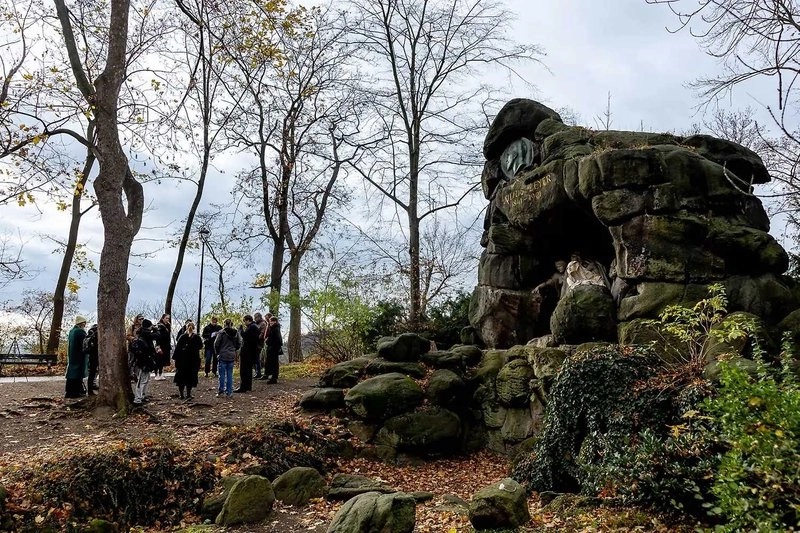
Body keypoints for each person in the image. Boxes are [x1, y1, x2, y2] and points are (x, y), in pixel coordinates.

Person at [172, 321, 203, 400]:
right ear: (194, 328)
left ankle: (181, 395)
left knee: (181, 378)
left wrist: (175, 359)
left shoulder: (182, 337)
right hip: (193, 361)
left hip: (182, 361)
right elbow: (200, 346)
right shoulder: (197, 337)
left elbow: (177, 349)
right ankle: (188, 394)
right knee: (190, 378)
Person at [131, 319, 158, 406]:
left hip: (143, 360)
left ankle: (141, 396)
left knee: (144, 379)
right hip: (145, 360)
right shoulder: (146, 333)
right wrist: (155, 329)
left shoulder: (141, 333)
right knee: (141, 380)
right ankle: (138, 398)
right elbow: (158, 335)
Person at [214, 318, 240, 398]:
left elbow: (216, 343)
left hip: (222, 354)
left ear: (224, 324)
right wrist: (234, 349)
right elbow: (239, 343)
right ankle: (229, 392)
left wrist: (217, 353)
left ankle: (221, 390)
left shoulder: (221, 332)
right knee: (230, 375)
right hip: (231, 355)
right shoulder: (236, 333)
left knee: (221, 375)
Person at [235, 315, 260, 393]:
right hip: (251, 351)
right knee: (248, 370)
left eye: (245, 321)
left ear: (248, 320)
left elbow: (246, 337)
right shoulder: (254, 327)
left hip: (247, 352)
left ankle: (243, 387)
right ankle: (248, 386)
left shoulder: (251, 327)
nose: (244, 323)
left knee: (244, 370)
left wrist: (241, 330)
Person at [65, 316, 88, 398]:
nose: (85, 325)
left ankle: (69, 392)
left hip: (72, 355)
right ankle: (76, 392)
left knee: (71, 373)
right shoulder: (80, 331)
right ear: (82, 323)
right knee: (78, 374)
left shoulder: (72, 331)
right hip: (79, 355)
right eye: (84, 323)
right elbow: (85, 343)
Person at [264, 316, 283, 384]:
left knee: (273, 363)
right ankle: (273, 377)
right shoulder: (274, 328)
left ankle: (274, 378)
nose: (270, 322)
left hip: (273, 348)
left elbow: (276, 339)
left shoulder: (275, 329)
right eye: (270, 321)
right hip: (273, 348)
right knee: (273, 363)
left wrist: (268, 341)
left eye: (271, 321)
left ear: (275, 321)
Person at [154, 313, 172, 380]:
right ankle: (156, 374)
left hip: (166, 345)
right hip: (160, 345)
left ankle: (161, 374)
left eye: (168, 318)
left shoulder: (167, 326)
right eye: (166, 318)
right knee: (158, 360)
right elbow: (158, 337)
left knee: (163, 361)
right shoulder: (160, 326)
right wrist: (158, 347)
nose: (167, 320)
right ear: (163, 318)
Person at [127, 314, 144, 381]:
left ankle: (136, 375)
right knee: (131, 361)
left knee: (138, 362)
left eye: (142, 319)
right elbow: (128, 336)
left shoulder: (143, 327)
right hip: (133, 347)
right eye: (140, 319)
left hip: (140, 348)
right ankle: (130, 375)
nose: (141, 320)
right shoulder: (132, 327)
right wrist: (134, 339)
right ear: (137, 319)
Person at [84, 323, 99, 395]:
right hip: (97, 355)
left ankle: (90, 390)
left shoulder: (90, 332)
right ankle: (93, 388)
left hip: (91, 355)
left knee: (92, 373)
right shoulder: (98, 333)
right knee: (96, 372)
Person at [253, 312, 267, 379]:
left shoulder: (263, 324)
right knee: (254, 358)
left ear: (259, 317)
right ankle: (256, 372)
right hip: (254, 343)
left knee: (257, 358)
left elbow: (262, 333)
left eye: (256, 317)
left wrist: (256, 338)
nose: (255, 319)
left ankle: (258, 372)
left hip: (259, 343)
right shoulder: (256, 324)